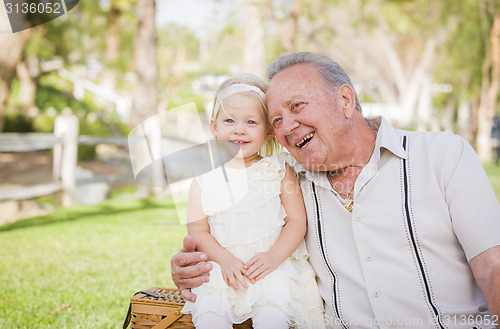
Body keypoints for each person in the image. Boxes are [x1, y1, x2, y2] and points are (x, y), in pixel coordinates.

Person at [172, 52, 500, 328]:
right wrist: (192, 267)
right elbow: (222, 231)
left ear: (344, 100)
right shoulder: (284, 181)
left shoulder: (442, 154)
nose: (286, 127)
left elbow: (493, 266)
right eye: (275, 120)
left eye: (297, 106)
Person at [180, 74, 325, 329]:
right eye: (229, 121)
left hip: (270, 267)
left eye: (251, 122)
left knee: (273, 316)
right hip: (222, 268)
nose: (239, 129)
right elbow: (198, 231)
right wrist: (224, 260)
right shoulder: (203, 179)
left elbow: (296, 221)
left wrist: (273, 256)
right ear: (214, 126)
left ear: (268, 131)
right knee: (210, 317)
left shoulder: (277, 170)